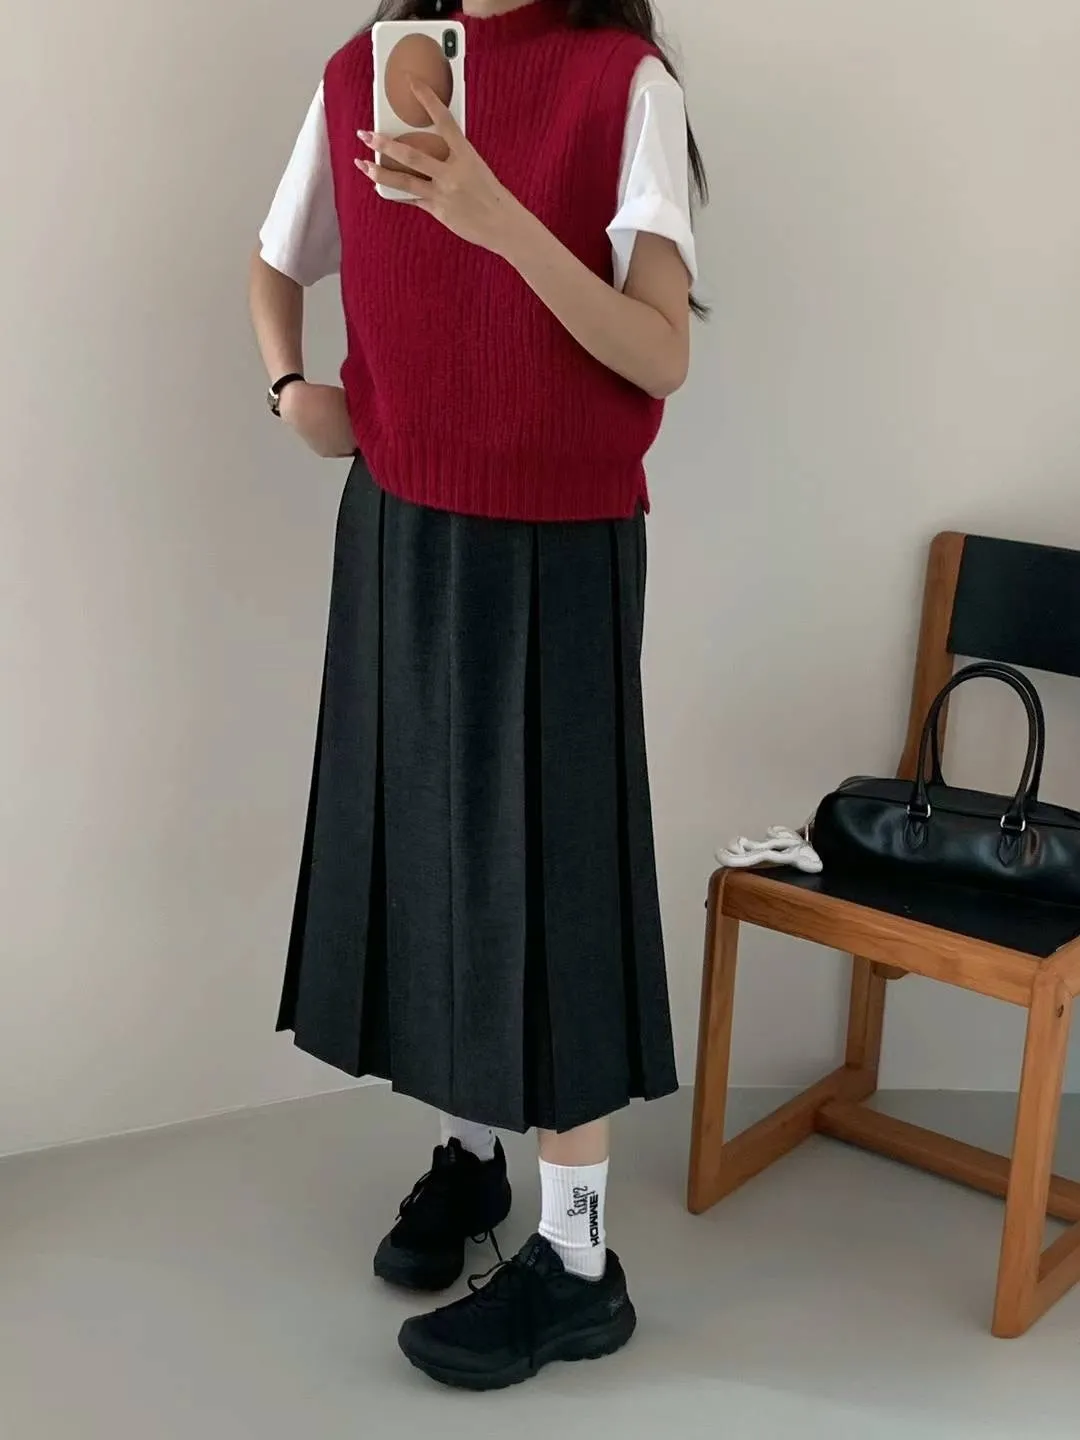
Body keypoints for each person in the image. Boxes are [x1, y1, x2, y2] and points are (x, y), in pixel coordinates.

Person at [249, 0, 705, 1392]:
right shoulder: (362, 73)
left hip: (558, 538)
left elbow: (661, 352)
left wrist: (496, 215)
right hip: (399, 521)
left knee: (551, 872)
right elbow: (278, 255)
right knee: (429, 851)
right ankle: (473, 1153)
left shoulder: (623, 83)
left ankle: (578, 1263)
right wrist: (292, 391)